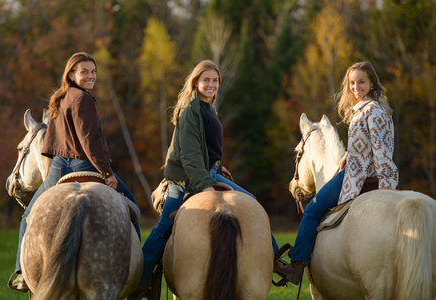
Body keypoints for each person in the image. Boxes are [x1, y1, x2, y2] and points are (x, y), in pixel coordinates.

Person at [132, 60, 282, 297]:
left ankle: (274, 259)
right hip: (184, 179)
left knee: (251, 201)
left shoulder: (208, 108)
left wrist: (217, 168)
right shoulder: (189, 111)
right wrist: (204, 186)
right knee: (164, 227)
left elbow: (207, 149)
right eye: (206, 80)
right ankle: (140, 277)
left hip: (208, 173)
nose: (211, 85)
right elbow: (189, 154)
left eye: (215, 81)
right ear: (196, 82)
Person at [9, 52, 141, 292]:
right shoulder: (84, 100)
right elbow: (90, 140)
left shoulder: (59, 97)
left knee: (28, 215)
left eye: (93, 71)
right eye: (84, 72)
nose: (90, 76)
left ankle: (21, 273)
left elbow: (50, 138)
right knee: (131, 206)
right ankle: (137, 276)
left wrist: (54, 162)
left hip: (58, 169)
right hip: (85, 165)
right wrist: (106, 172)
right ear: (71, 74)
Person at [275, 61, 399, 285]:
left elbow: (381, 152)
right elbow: (371, 144)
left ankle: (296, 267)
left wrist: (387, 186)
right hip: (359, 167)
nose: (356, 87)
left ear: (372, 83)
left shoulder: (369, 111)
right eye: (352, 83)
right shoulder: (377, 108)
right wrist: (349, 154)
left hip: (357, 177)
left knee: (312, 211)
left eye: (361, 82)